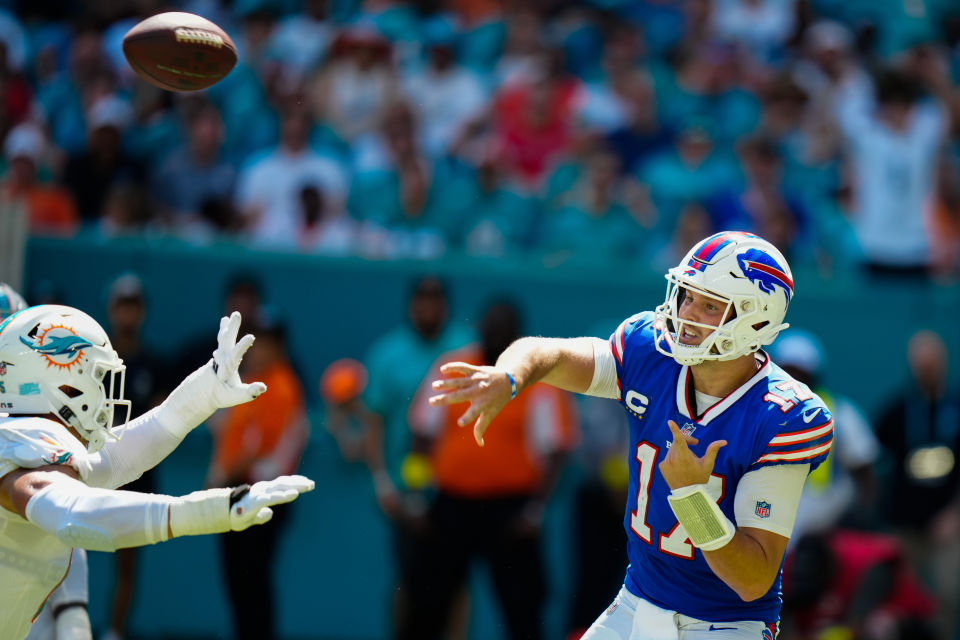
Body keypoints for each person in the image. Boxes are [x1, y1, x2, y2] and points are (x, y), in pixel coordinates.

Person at [429, 231, 833, 639]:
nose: (687, 314)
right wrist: (509, 375)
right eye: (687, 295)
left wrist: (693, 500)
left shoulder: (782, 416)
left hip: (724, 624)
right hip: (636, 602)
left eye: (709, 305)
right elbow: (549, 354)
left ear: (756, 322)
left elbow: (752, 579)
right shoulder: (650, 352)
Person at [0, 305, 314, 640]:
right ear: (58, 381)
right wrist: (207, 511)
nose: (105, 393)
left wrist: (205, 391)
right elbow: (72, 513)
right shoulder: (26, 441)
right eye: (96, 377)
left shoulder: (24, 433)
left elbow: (121, 456)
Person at [404, 300, 579, 640]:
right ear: (479, 329)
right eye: (490, 327)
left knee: (523, 607)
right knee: (427, 601)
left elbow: (557, 449)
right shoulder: (452, 368)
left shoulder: (536, 376)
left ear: (517, 335)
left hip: (510, 512)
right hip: (451, 504)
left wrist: (536, 510)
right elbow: (422, 434)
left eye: (504, 328)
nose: (495, 334)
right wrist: (415, 494)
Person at [205, 310, 309, 640]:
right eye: (257, 343)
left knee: (251, 582)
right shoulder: (251, 380)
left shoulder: (280, 385)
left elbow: (257, 448)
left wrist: (217, 480)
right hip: (243, 491)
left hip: (260, 493)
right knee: (241, 582)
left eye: (268, 343)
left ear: (280, 347)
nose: (260, 350)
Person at [99, 274, 173, 640]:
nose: (128, 313)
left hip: (136, 475)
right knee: (61, 547)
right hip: (86, 470)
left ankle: (114, 631)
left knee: (127, 560)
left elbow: (158, 422)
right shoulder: (90, 361)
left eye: (134, 305)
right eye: (122, 305)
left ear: (142, 312)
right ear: (111, 309)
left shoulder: (156, 364)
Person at [874, 330, 960, 640]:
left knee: (947, 591)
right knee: (903, 594)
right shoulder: (898, 408)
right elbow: (873, 453)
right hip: (904, 522)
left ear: (943, 363)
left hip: (946, 523)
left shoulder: (956, 405)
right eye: (920, 365)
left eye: (932, 364)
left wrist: (954, 514)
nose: (926, 371)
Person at [771, 329, 879, 540]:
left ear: (814, 375)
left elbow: (865, 472)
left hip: (825, 535)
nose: (793, 380)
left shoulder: (841, 413)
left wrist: (860, 519)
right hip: (770, 526)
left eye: (800, 373)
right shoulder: (757, 414)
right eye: (786, 372)